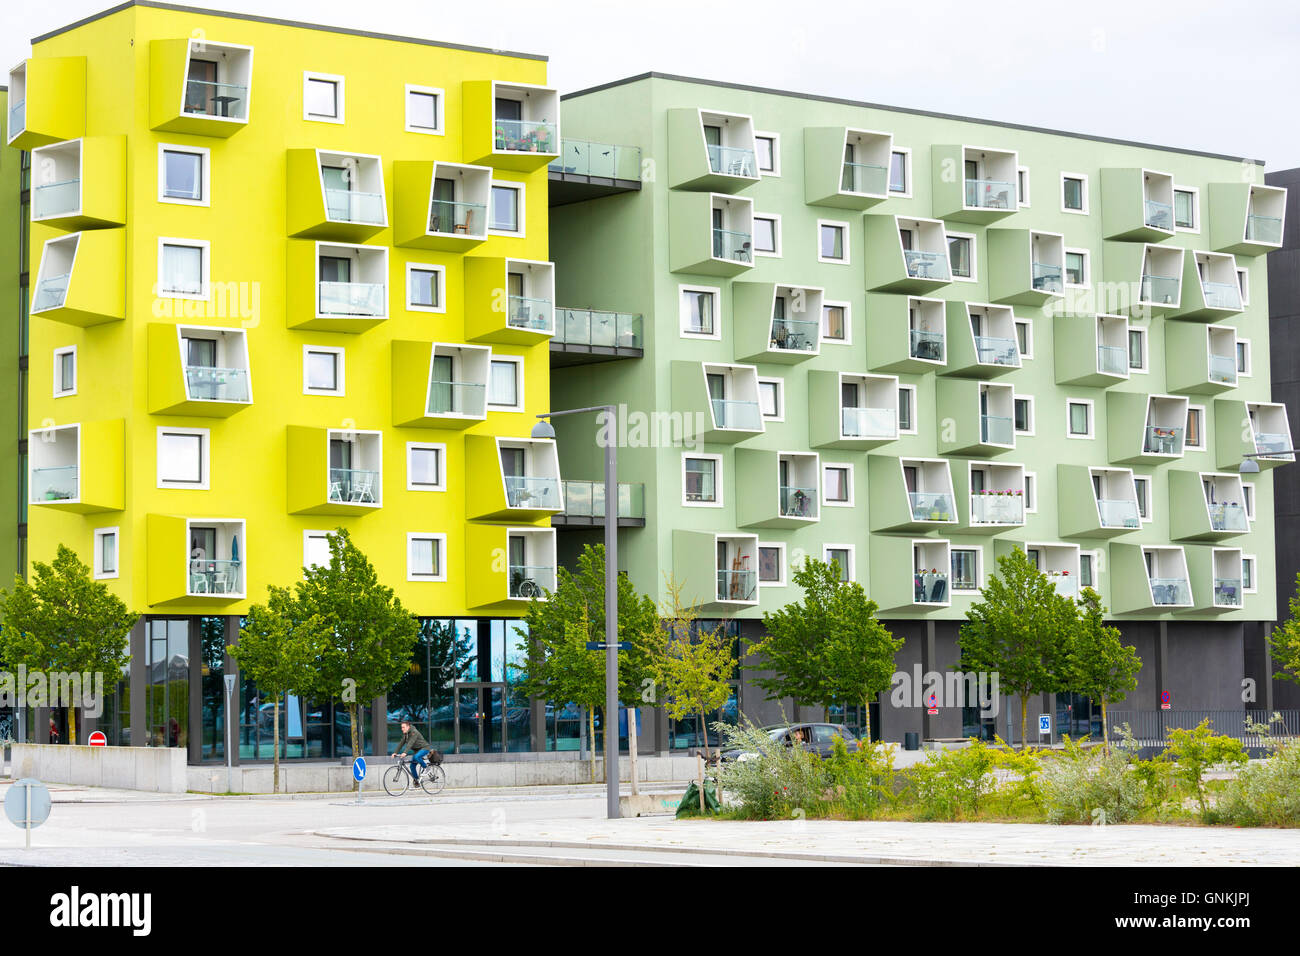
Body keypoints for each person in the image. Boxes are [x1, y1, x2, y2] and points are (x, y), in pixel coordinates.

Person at [392, 719, 431, 786]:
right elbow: (401, 743)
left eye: (403, 727)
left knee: (416, 757)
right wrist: (395, 752)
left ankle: (426, 767)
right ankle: (417, 781)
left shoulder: (414, 732)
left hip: (424, 748)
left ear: (408, 727)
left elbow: (410, 743)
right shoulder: (406, 734)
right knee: (412, 766)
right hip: (417, 750)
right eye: (401, 727)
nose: (402, 729)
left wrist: (405, 752)